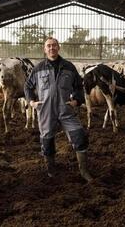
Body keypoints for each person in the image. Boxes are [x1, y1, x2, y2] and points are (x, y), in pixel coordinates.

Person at [24, 37, 93, 182]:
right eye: (48, 46)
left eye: (54, 45)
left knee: (79, 136)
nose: (51, 48)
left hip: (66, 109)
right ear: (44, 49)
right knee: (47, 142)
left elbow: (79, 86)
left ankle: (84, 171)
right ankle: (51, 171)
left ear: (58, 47)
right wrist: (32, 102)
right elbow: (28, 86)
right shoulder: (38, 68)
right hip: (45, 111)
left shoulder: (69, 67)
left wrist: (76, 101)